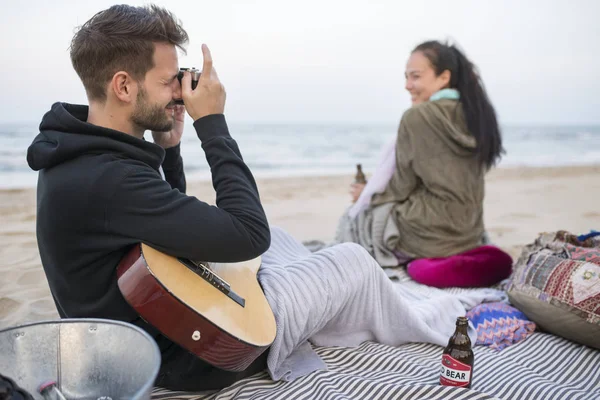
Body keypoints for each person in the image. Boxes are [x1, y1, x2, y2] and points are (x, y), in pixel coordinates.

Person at [26, 6, 504, 392]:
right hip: (195, 351)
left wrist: (169, 148)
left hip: (158, 317)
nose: (182, 90)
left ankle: (345, 296)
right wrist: (212, 125)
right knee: (352, 261)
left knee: (283, 240)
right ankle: (418, 316)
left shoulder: (79, 151)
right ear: (124, 86)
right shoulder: (109, 180)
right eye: (171, 79)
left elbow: (160, 233)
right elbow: (246, 235)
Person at [337, 40, 508, 280]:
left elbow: (401, 187)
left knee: (357, 218)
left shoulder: (418, 116)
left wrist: (366, 195)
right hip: (469, 231)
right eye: (406, 77)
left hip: (429, 233)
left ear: (443, 77)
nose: (407, 85)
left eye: (415, 77)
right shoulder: (475, 113)